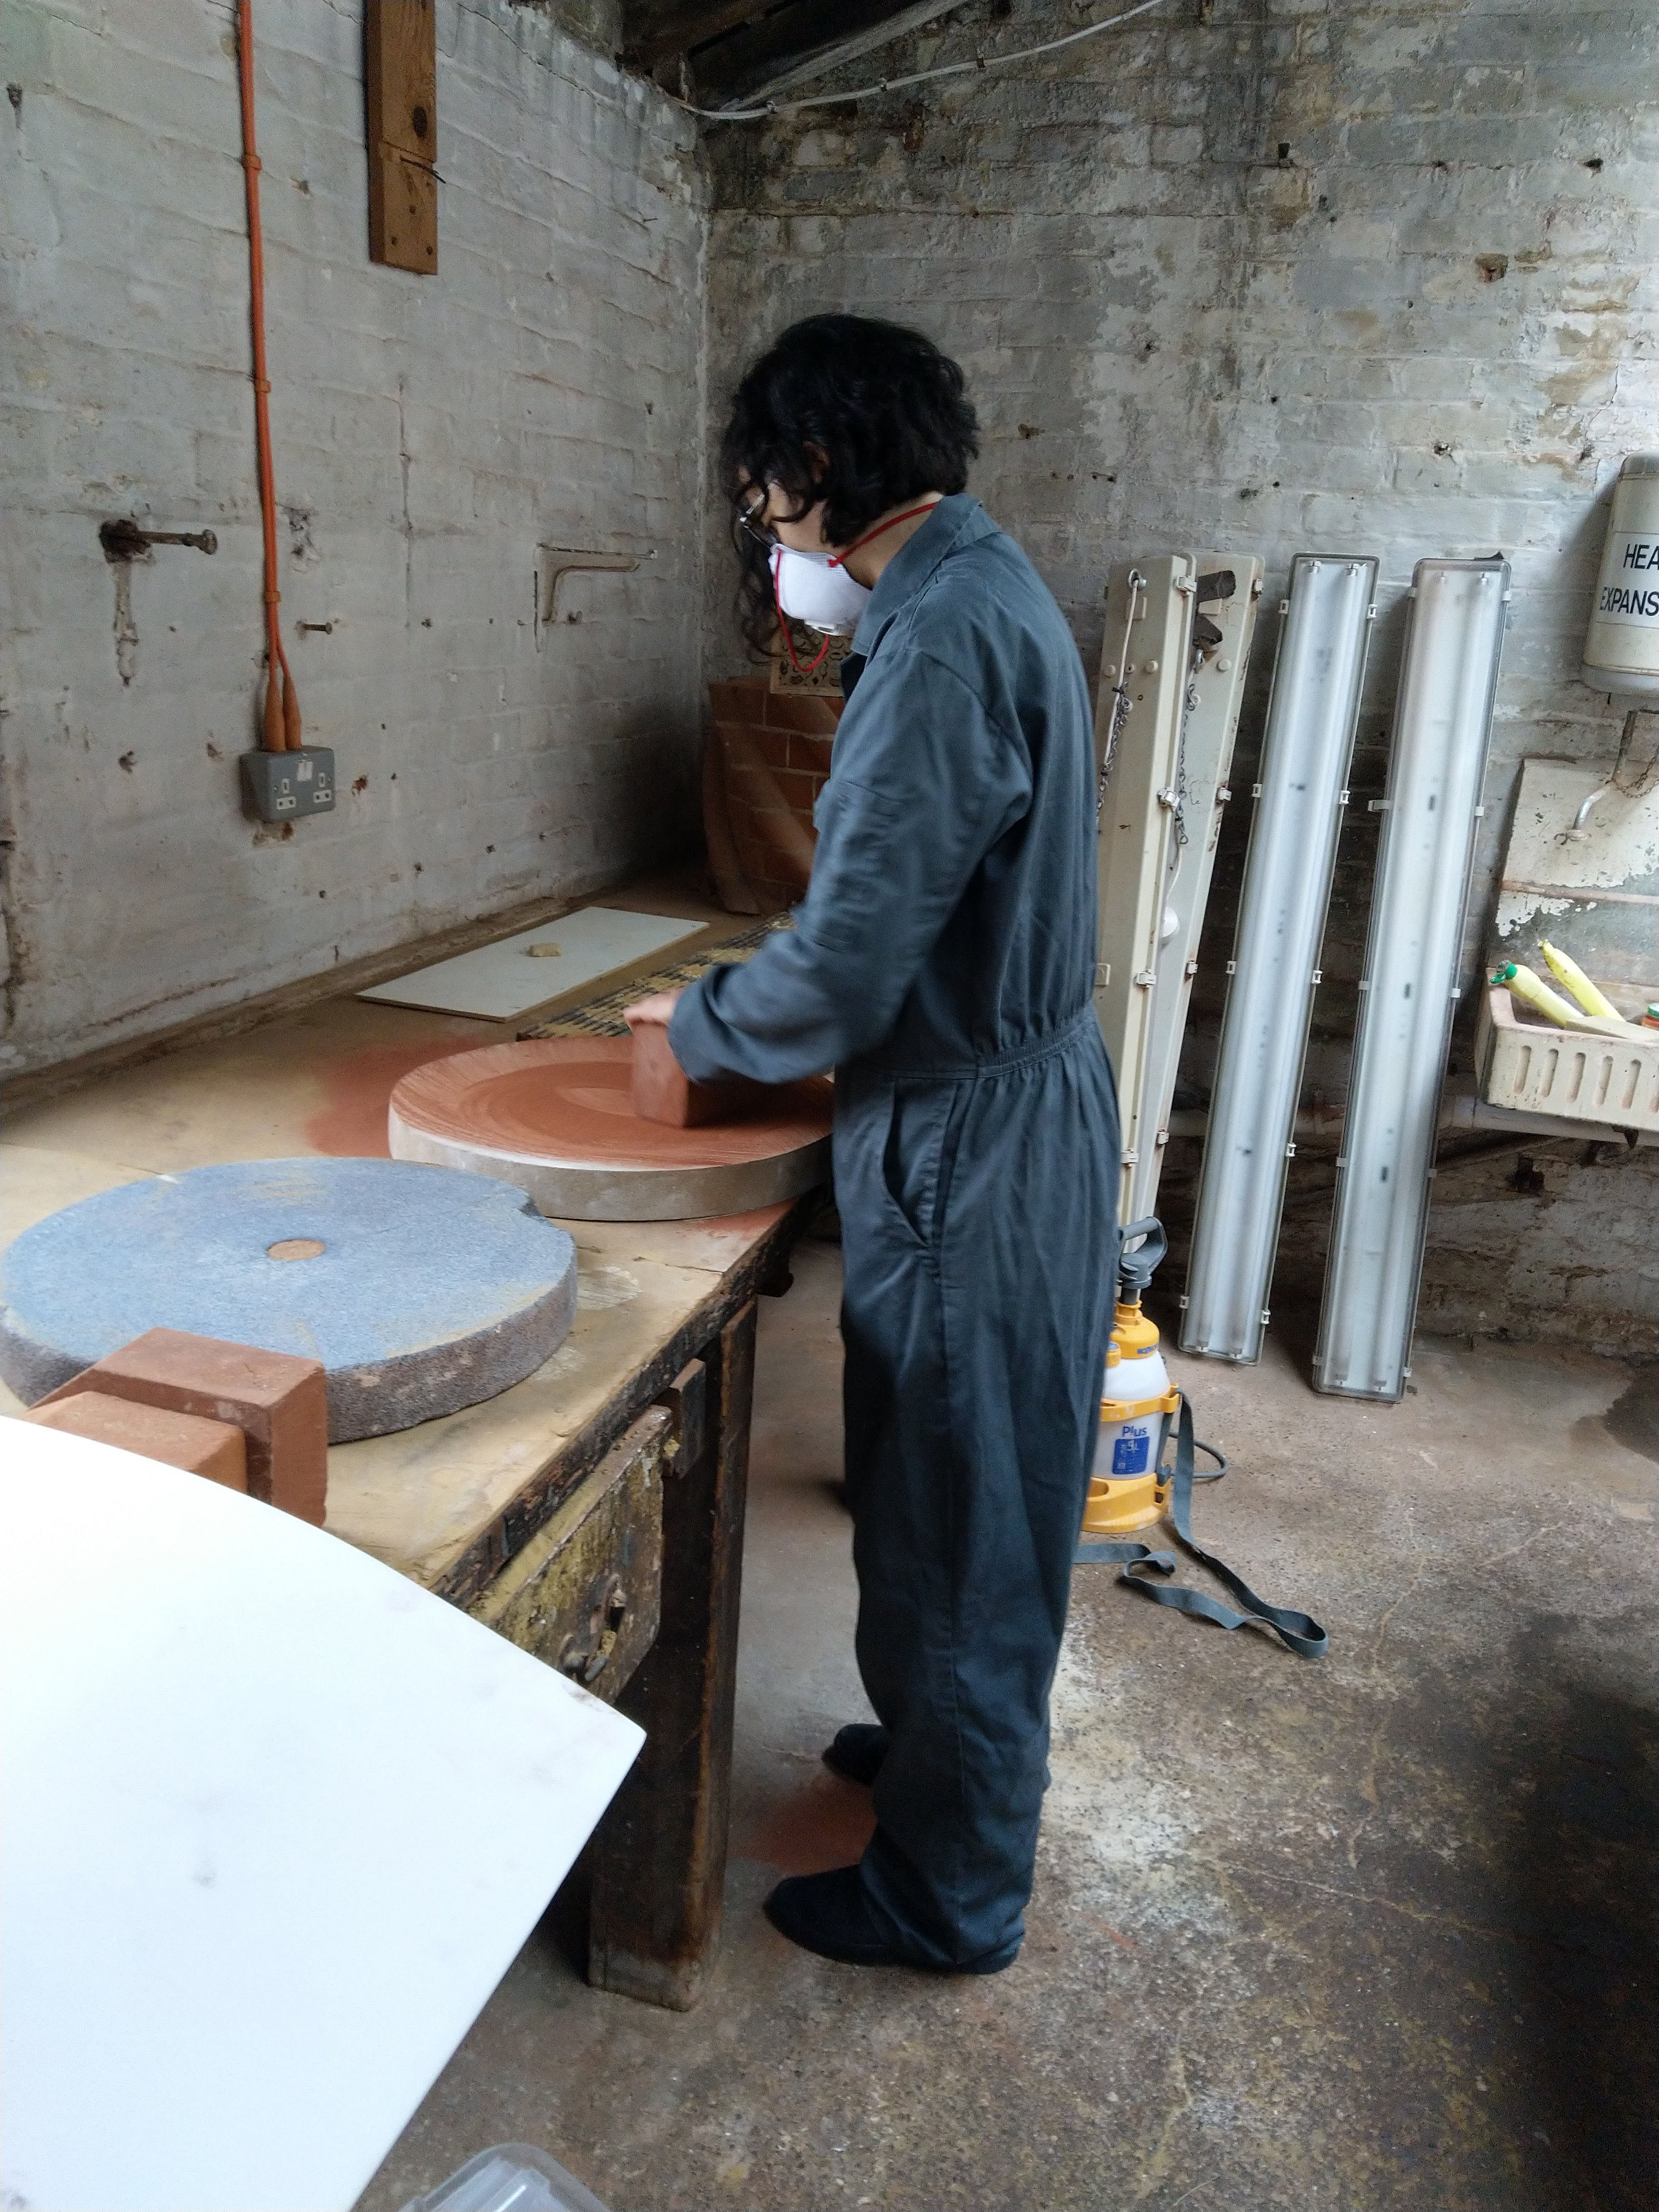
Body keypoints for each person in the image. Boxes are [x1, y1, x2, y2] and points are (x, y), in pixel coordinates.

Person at [627, 313, 1118, 1974]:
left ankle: (947, 1894)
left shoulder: (940, 642)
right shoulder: (978, 582)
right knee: (934, 1483)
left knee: (967, 1517)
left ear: (820, 467)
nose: (768, 539)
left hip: (975, 1131)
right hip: (1003, 1094)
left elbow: (844, 968)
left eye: (764, 503)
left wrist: (699, 1027)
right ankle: (929, 1752)